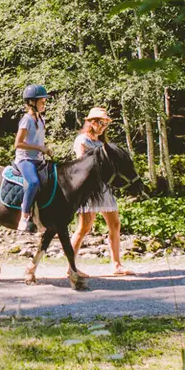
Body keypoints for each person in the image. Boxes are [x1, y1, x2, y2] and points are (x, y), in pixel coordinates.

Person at [71, 107, 132, 275]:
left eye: (105, 123)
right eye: (100, 122)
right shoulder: (82, 140)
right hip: (90, 189)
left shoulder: (101, 143)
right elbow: (81, 165)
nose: (103, 126)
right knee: (84, 228)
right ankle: (70, 267)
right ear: (90, 122)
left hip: (105, 188)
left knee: (115, 224)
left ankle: (116, 265)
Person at [12, 84, 53, 232]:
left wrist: (45, 148)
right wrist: (40, 148)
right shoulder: (26, 120)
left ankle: (43, 218)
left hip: (39, 158)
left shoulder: (41, 119)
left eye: (44, 102)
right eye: (42, 101)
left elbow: (36, 140)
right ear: (32, 102)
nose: (44, 104)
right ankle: (24, 216)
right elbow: (18, 144)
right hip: (25, 159)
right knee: (34, 182)